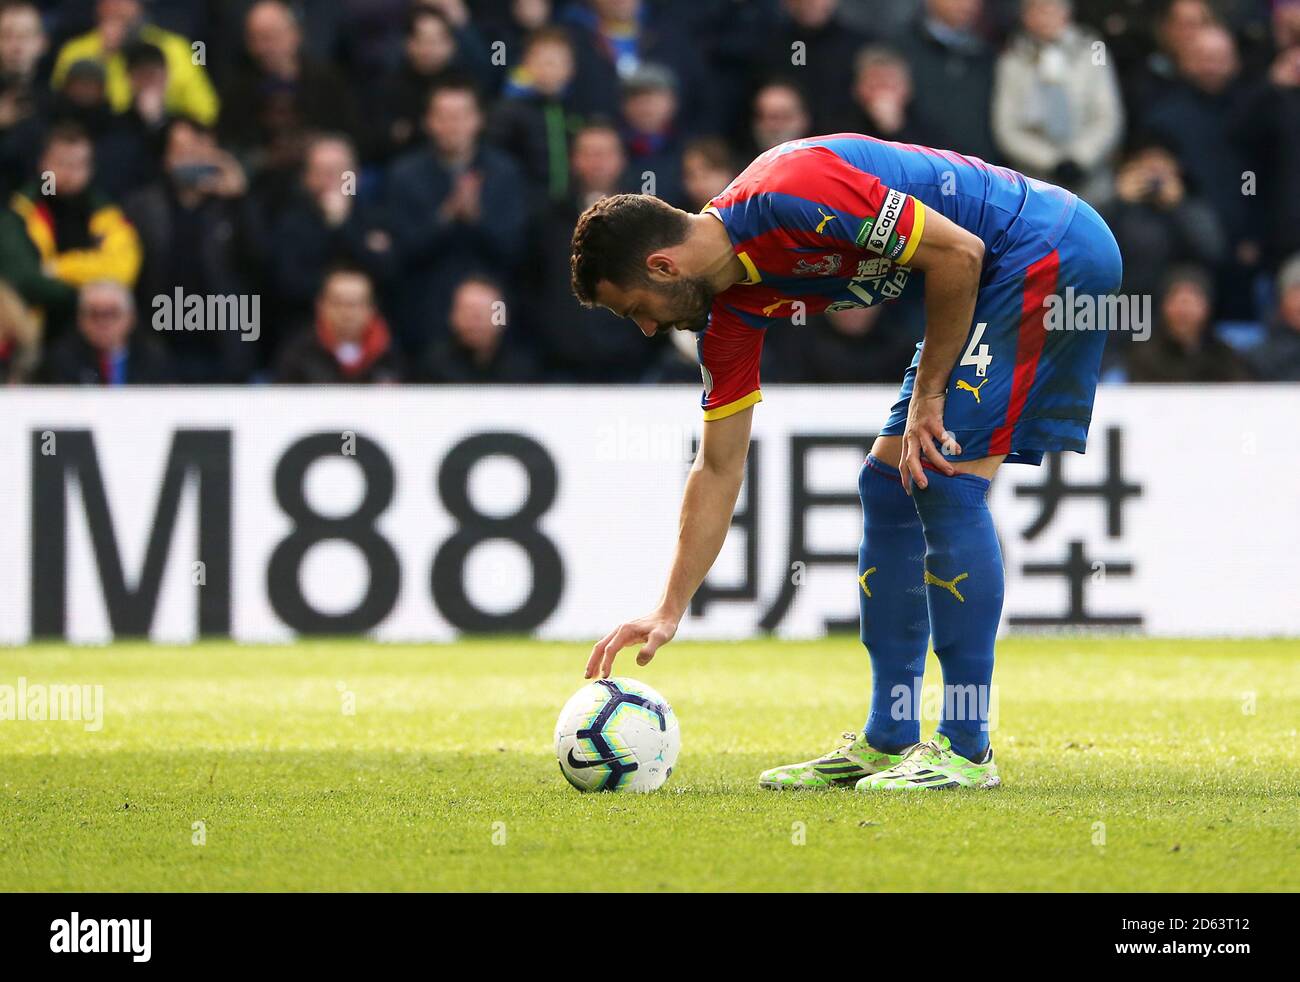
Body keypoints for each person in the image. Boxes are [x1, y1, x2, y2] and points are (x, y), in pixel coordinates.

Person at [569, 133, 1123, 790]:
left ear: (663, 267)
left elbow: (959, 251)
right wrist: (669, 606)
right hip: (991, 273)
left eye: (636, 310)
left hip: (1047, 248)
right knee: (888, 486)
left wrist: (930, 394)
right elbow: (718, 469)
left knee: (943, 483)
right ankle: (890, 737)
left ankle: (967, 746)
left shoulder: (789, 191)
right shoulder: (731, 317)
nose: (647, 330)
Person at [992, 0, 1124, 201]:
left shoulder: (1094, 50)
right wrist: (1051, 162)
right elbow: (1007, 128)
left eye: (1053, 7)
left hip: (1092, 179)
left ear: (1067, 12)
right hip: (1035, 183)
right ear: (1025, 16)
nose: (1045, 16)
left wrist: (1080, 158)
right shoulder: (1012, 59)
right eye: (1037, 9)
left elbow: (1108, 116)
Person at [50, 0, 218, 125]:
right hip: (96, 140)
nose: (118, 7)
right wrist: (104, 56)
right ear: (98, 7)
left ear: (140, 6)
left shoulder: (175, 48)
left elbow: (206, 111)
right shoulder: (75, 51)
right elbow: (59, 108)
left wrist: (163, 115)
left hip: (161, 140)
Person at [274, 266, 403, 384]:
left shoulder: (388, 354)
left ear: (371, 309)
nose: (346, 313)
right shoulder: (299, 355)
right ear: (321, 306)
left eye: (354, 304)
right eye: (338, 303)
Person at [1126, 266, 1253, 382]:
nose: (1183, 312)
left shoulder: (1224, 356)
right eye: (1177, 302)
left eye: (1191, 303)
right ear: (1164, 307)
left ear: (1206, 308)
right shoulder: (1144, 357)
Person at [37, 279, 171, 384]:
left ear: (130, 318)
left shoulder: (152, 359)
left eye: (112, 313)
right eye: (94, 314)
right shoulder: (61, 361)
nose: (103, 322)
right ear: (80, 319)